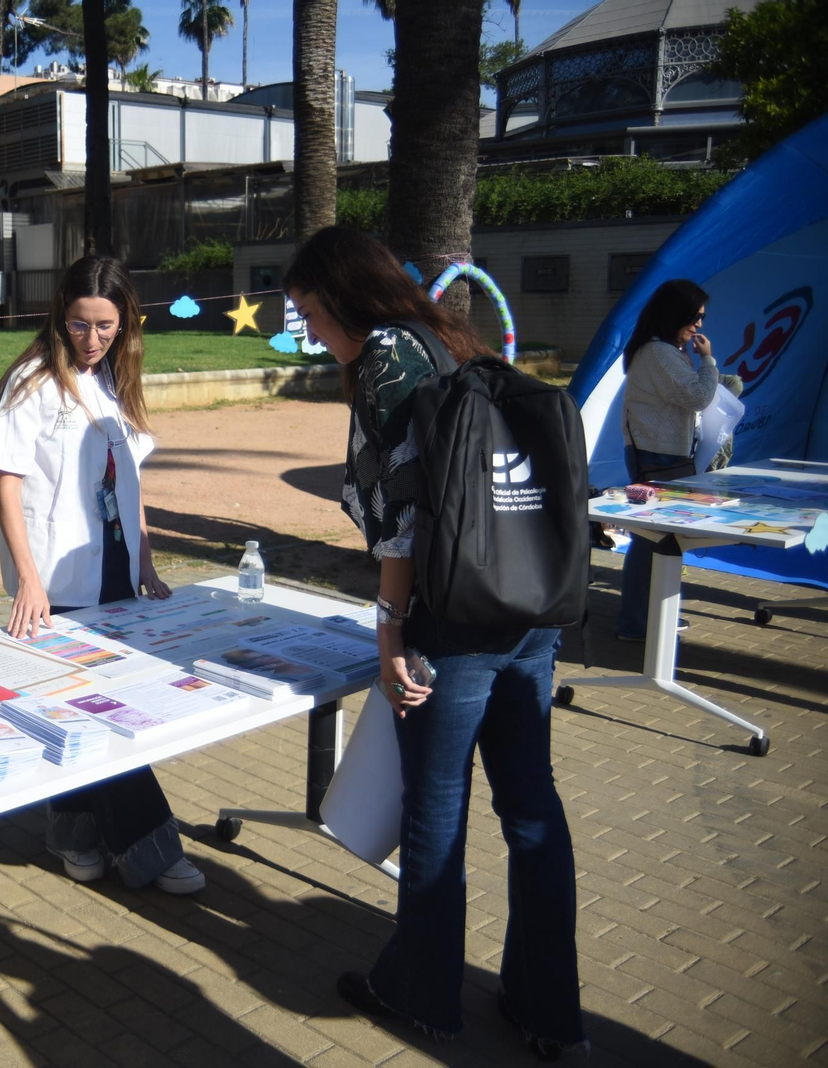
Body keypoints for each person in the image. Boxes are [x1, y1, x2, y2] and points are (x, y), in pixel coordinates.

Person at [284, 227, 584, 1057]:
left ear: (343, 295)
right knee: (532, 808)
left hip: (449, 623)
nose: (309, 330)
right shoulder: (453, 340)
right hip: (527, 609)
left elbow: (404, 518)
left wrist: (389, 633)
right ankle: (549, 1011)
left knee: (437, 807)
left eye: (310, 311)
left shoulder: (387, 356)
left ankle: (419, 992)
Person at [0, 255, 204, 895]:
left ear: (125, 321)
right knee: (101, 711)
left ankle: (74, 834)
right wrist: (29, 579)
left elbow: (129, 482)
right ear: (61, 315)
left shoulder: (114, 379)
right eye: (80, 324)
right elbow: (8, 483)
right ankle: (151, 850)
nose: (91, 338)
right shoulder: (31, 382)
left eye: (105, 325)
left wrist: (146, 558)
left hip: (114, 568)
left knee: (86, 707)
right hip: (56, 575)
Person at [616, 279, 717, 641]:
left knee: (658, 539)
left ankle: (651, 615)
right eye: (694, 316)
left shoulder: (661, 350)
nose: (699, 324)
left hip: (658, 453)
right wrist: (708, 361)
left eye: (702, 317)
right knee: (652, 540)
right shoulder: (659, 352)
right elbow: (698, 396)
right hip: (655, 455)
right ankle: (637, 622)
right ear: (674, 313)